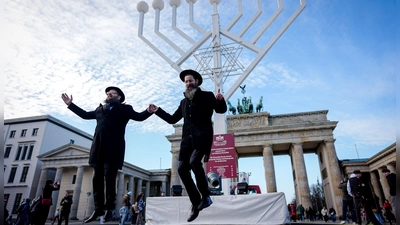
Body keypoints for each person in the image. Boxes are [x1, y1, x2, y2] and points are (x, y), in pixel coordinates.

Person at [61, 87, 153, 223]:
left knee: (109, 177)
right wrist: (70, 104)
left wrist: (148, 112)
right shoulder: (100, 110)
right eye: (108, 93)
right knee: (96, 178)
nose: (109, 94)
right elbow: (85, 115)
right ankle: (98, 208)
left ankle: (109, 208)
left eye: (112, 93)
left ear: (119, 97)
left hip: (113, 148)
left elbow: (139, 117)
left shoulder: (125, 109)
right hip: (97, 147)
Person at [148, 69, 227, 222]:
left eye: (190, 80)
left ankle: (206, 196)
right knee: (182, 169)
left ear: (197, 81)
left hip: (202, 138)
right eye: (186, 82)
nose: (188, 83)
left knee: (194, 162)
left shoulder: (207, 96)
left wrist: (220, 100)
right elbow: (172, 119)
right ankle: (196, 202)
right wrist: (157, 111)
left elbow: (220, 110)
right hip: (187, 141)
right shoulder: (183, 102)